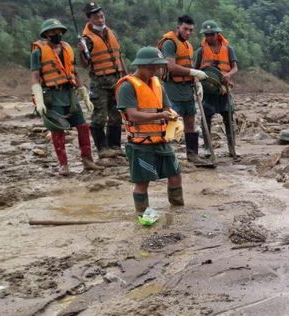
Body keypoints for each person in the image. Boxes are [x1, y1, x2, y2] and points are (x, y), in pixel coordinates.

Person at [30, 18, 104, 176]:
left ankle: (87, 159)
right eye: (52, 32)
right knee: (57, 130)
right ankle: (63, 165)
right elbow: (35, 77)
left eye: (58, 31)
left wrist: (84, 94)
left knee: (83, 126)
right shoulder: (38, 52)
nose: (56, 34)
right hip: (52, 94)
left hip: (69, 93)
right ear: (46, 34)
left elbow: (74, 72)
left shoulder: (67, 48)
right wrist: (39, 101)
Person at [115, 47, 184, 213]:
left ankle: (178, 209)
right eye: (152, 67)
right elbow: (132, 115)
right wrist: (161, 116)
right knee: (142, 182)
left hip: (161, 141)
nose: (156, 71)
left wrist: (174, 118)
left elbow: (167, 107)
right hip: (140, 144)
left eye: (158, 67)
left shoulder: (156, 84)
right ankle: (142, 213)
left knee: (175, 175)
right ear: (142, 66)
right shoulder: (127, 86)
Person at [158, 15, 210, 165]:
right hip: (172, 88)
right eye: (185, 29)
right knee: (170, 120)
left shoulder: (188, 45)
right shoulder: (169, 43)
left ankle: (192, 155)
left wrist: (196, 80)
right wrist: (193, 73)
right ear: (178, 28)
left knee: (190, 121)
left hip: (187, 88)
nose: (188, 32)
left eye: (191, 30)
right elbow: (171, 67)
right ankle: (165, 155)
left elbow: (187, 66)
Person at [77, 2, 127, 159]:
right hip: (100, 82)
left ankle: (115, 146)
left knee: (116, 114)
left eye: (101, 16)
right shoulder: (87, 39)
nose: (100, 19)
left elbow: (119, 57)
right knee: (99, 115)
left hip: (116, 79)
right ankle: (102, 149)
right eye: (96, 17)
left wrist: (126, 76)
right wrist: (81, 51)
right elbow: (85, 64)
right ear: (89, 19)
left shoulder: (110, 33)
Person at [193, 20, 238, 157]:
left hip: (224, 89)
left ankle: (232, 148)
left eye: (211, 34)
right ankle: (207, 148)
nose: (209, 37)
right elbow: (195, 70)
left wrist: (228, 75)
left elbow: (235, 67)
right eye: (206, 35)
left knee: (228, 117)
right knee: (206, 118)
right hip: (208, 90)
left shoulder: (228, 49)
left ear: (217, 34)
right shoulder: (201, 51)